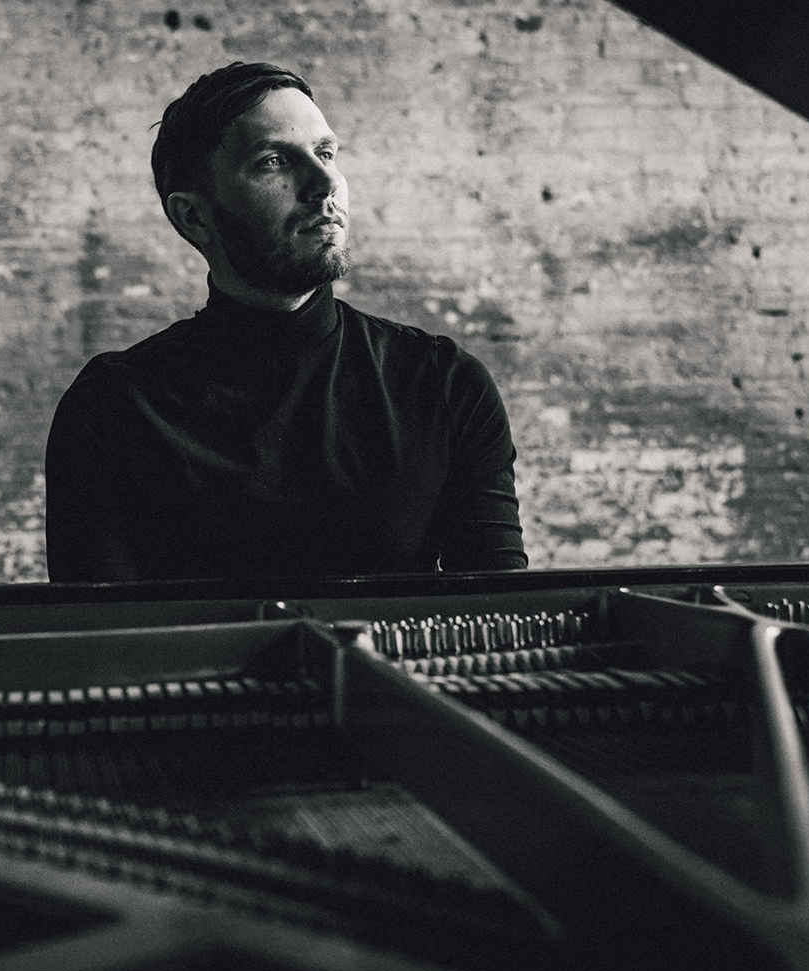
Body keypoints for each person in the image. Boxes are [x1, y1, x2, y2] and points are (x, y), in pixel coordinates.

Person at [44, 62, 525, 582]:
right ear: (194, 217)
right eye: (273, 161)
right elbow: (103, 626)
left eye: (325, 153)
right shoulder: (113, 409)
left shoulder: (442, 383)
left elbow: (502, 611)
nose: (324, 184)